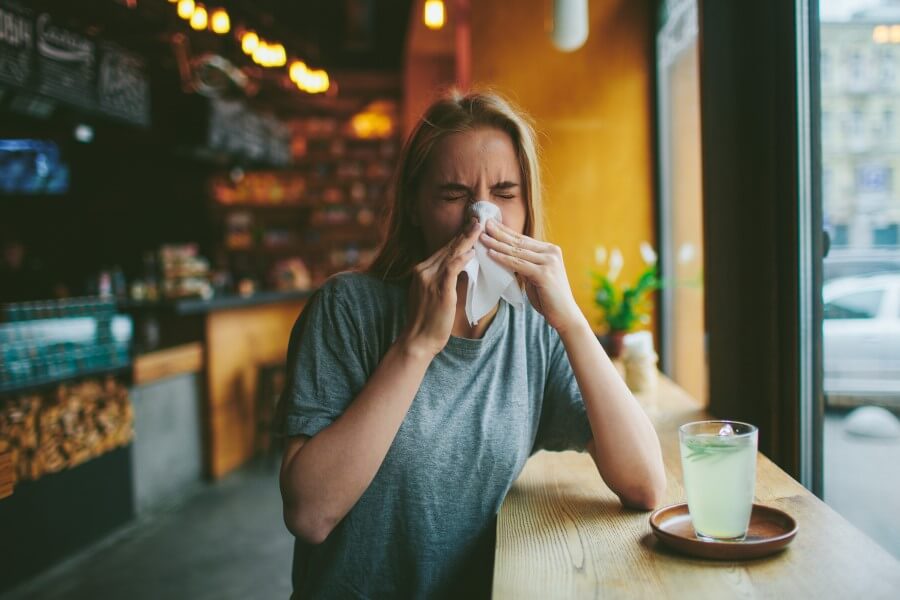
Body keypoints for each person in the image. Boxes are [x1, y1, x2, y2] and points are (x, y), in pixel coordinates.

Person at [278, 90, 666, 599]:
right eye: (454, 194)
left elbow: (645, 484)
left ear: (528, 208)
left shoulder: (534, 331)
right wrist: (416, 347)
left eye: (505, 193)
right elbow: (309, 514)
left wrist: (570, 320)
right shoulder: (347, 308)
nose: (480, 220)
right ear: (415, 206)